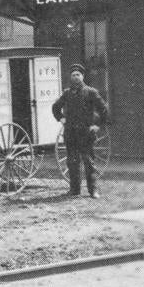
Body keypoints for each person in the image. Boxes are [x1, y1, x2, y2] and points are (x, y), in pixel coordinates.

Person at [52, 63, 111, 198]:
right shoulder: (67, 93)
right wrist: (61, 118)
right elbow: (55, 107)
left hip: (86, 134)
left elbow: (104, 109)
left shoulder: (91, 92)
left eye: (78, 75)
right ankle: (74, 190)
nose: (76, 77)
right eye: (73, 75)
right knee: (72, 162)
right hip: (71, 133)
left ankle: (93, 190)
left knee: (89, 162)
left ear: (82, 76)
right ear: (70, 77)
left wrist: (97, 125)